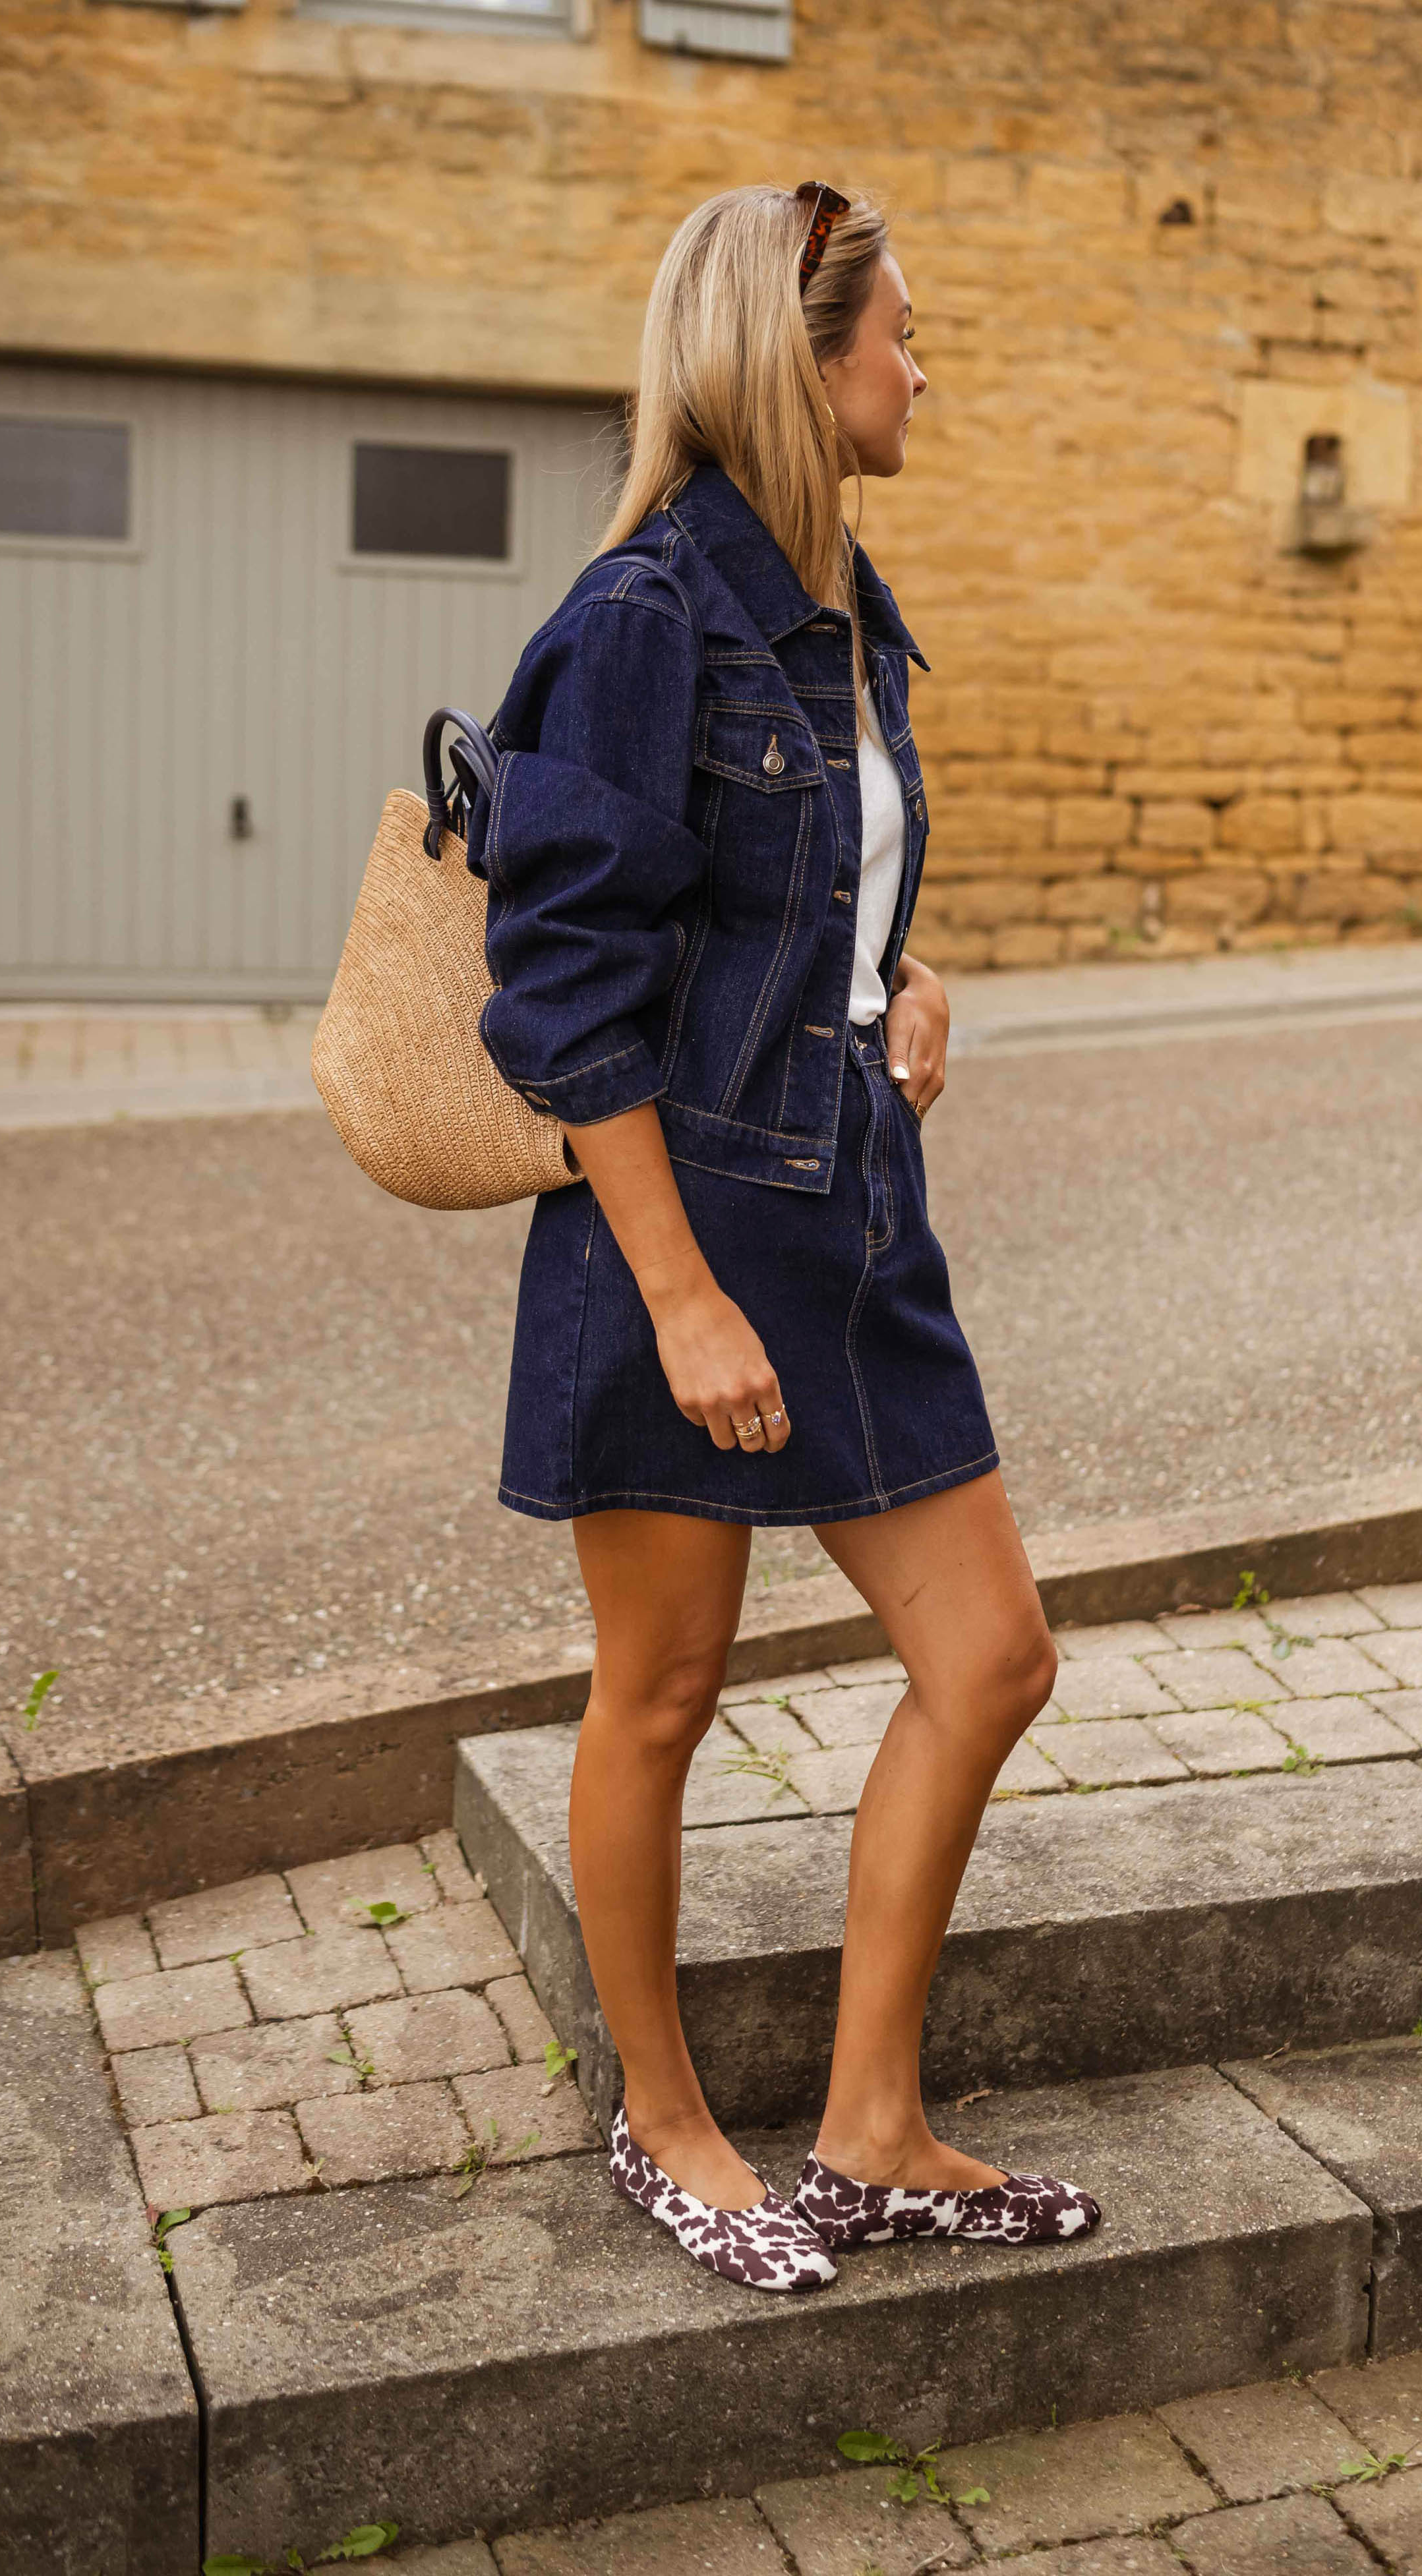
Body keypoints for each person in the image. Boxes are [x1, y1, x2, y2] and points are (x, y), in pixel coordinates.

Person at [465, 179, 1099, 2295]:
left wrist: (894, 982)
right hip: (691, 1227)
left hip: (857, 1212)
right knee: (659, 1696)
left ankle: (868, 2128)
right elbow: (562, 1002)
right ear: (798, 356)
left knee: (990, 1655)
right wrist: (674, 1290)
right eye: (902, 333)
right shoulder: (645, 621)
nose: (925, 367)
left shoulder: (841, 602)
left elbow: (802, 900)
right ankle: (661, 2124)